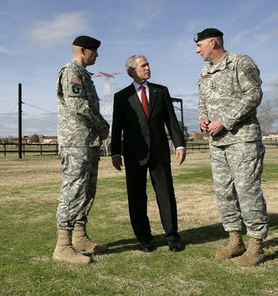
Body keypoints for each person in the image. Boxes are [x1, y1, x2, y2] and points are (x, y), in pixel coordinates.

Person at [195, 28, 268, 267]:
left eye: (200, 46)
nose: (197, 50)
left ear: (213, 43)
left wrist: (224, 121)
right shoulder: (204, 73)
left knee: (247, 191)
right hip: (217, 144)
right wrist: (204, 120)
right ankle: (235, 241)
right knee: (224, 192)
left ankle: (257, 246)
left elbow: (253, 94)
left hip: (242, 139)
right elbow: (202, 103)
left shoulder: (240, 63)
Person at [111, 55, 186, 253]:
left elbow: (171, 120)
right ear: (132, 71)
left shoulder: (161, 91)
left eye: (148, 64)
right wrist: (115, 152)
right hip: (134, 155)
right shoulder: (121, 96)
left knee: (166, 195)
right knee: (136, 198)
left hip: (159, 153)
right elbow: (117, 127)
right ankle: (144, 238)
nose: (148, 67)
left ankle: (172, 237)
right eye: (143, 65)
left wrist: (180, 145)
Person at [53, 35, 110, 265]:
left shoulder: (84, 75)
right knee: (73, 190)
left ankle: (79, 238)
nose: (97, 55)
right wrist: (101, 124)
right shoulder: (72, 72)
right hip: (76, 143)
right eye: (94, 51)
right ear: (83, 50)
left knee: (86, 191)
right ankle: (63, 246)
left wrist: (101, 126)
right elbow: (78, 106)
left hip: (88, 142)